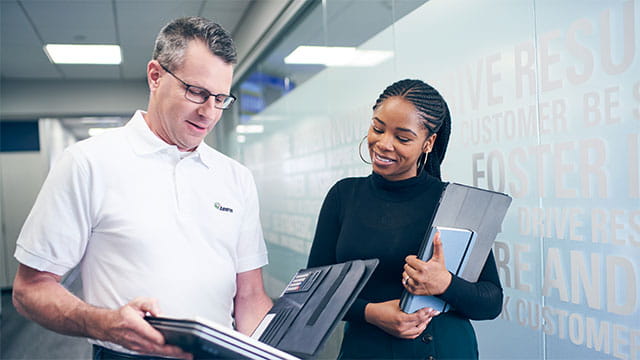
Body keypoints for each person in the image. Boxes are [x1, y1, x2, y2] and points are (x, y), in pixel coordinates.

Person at [12, 17, 273, 359]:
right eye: (197, 92)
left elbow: (250, 295)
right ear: (155, 76)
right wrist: (103, 323)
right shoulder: (88, 163)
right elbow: (30, 289)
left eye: (221, 98)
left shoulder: (235, 177)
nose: (209, 112)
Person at [307, 79, 503, 359]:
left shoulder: (456, 205)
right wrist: (371, 313)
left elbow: (491, 301)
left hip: (442, 349)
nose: (384, 144)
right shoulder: (343, 196)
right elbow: (315, 292)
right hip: (365, 350)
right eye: (377, 128)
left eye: (403, 138)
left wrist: (445, 283)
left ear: (428, 143)